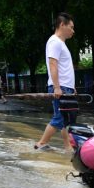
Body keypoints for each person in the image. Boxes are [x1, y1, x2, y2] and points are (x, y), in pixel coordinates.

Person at [35, 12, 77, 152]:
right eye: (70, 27)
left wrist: (72, 87)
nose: (73, 30)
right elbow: (53, 64)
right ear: (62, 25)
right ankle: (41, 143)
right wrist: (57, 87)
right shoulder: (54, 41)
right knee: (59, 118)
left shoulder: (61, 44)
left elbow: (64, 68)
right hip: (60, 88)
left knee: (65, 119)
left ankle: (67, 147)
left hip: (66, 87)